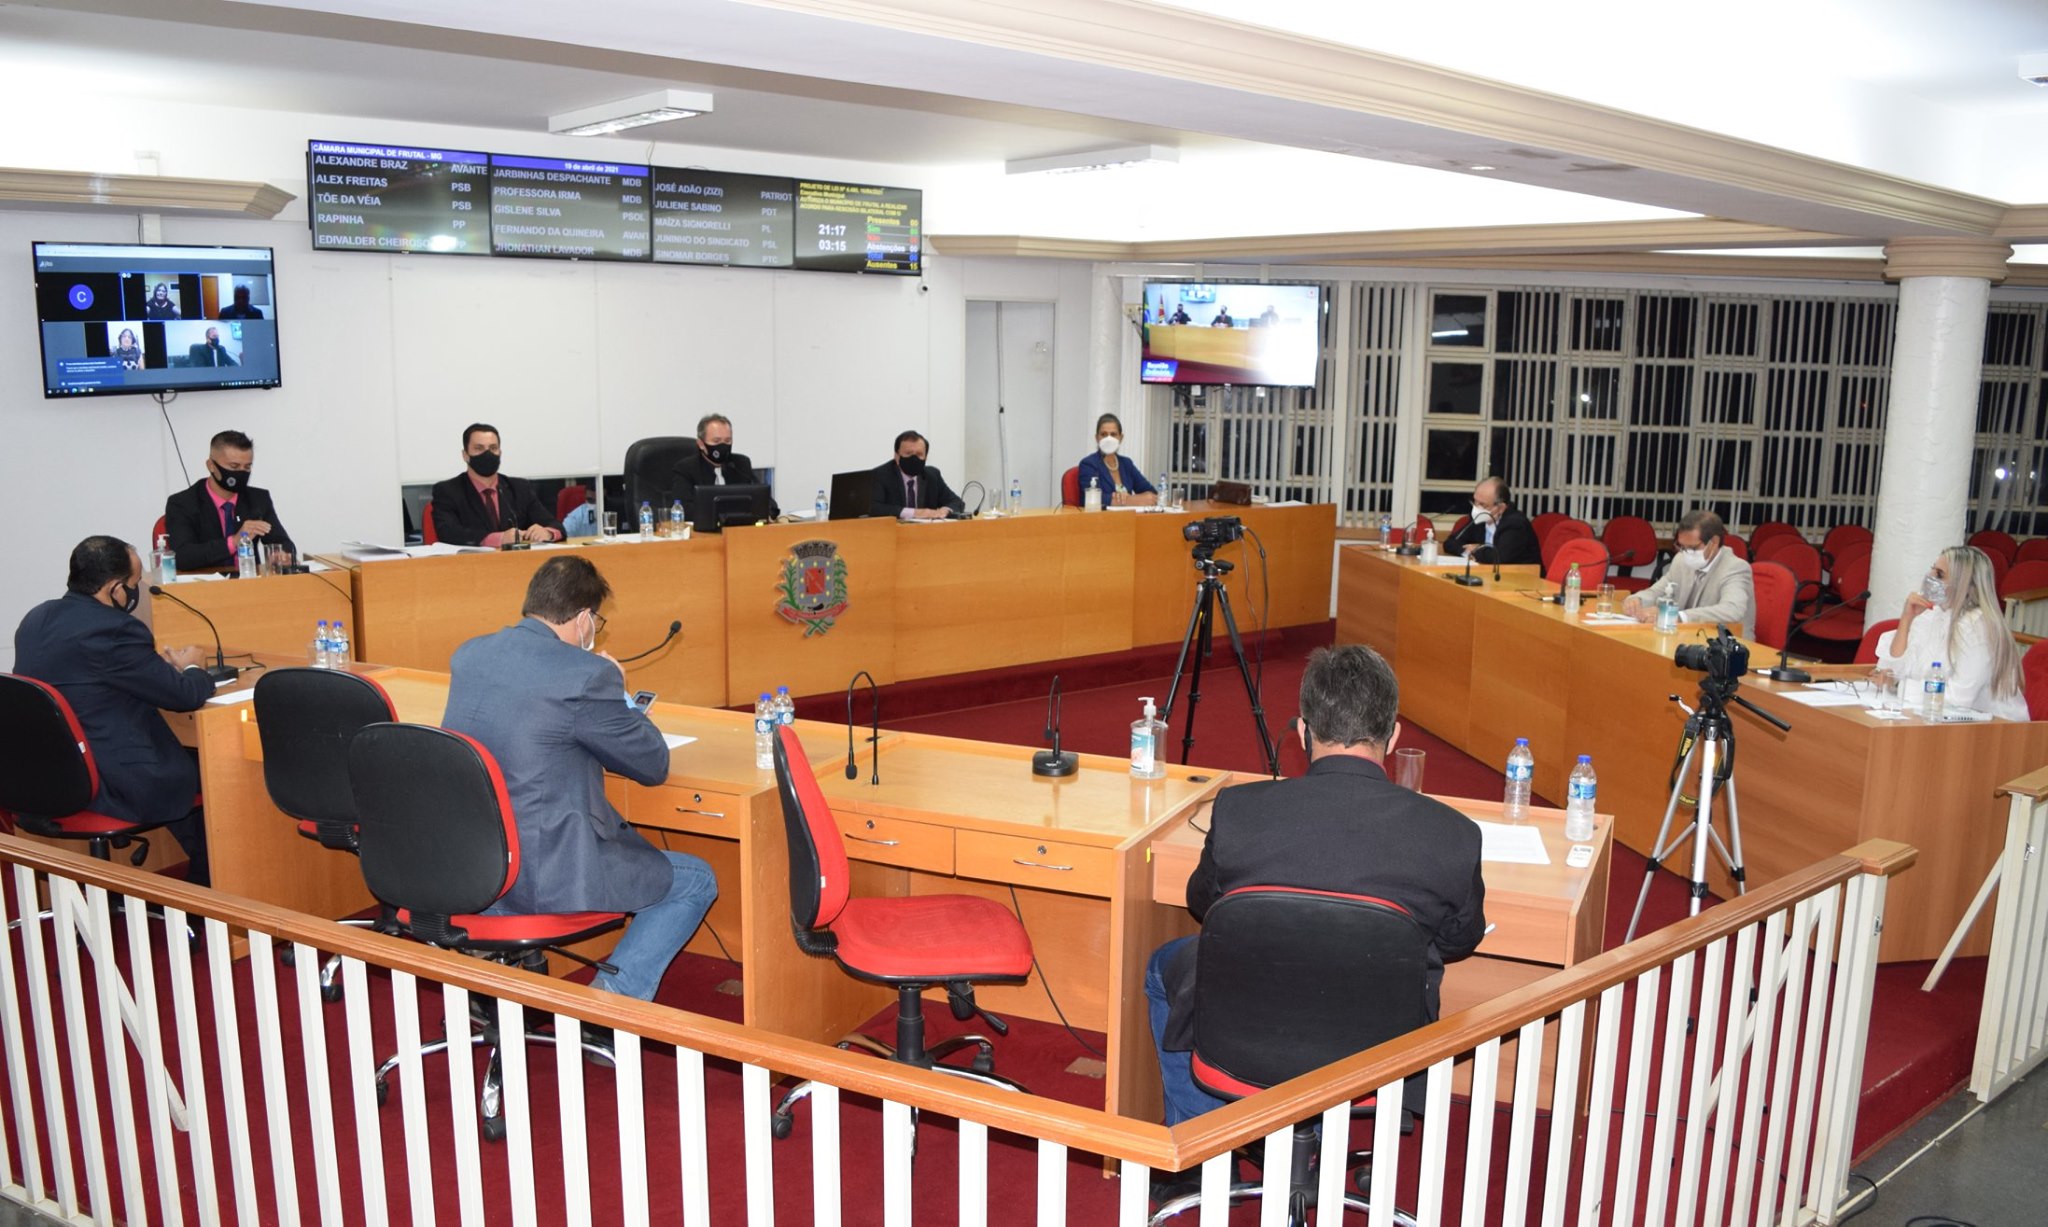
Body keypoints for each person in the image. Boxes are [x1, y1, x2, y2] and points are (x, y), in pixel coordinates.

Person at [1145, 644, 1486, 1126]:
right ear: (1392, 738)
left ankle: (1197, 1148)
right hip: (1376, 1050)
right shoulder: (1452, 833)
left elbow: (1203, 904)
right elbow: (1459, 938)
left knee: (1163, 966)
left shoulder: (1239, 810)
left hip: (1246, 1030)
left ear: (1303, 730)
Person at [442, 556, 717, 1002]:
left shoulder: (470, 654)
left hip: (475, 862)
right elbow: (652, 764)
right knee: (698, 878)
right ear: (586, 618)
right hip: (545, 872)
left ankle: (492, 973)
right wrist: (623, 697)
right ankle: (609, 1004)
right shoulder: (589, 675)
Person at [13, 536, 215, 885]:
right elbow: (184, 696)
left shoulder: (37, 618)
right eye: (134, 586)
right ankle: (206, 893)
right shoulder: (115, 629)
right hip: (110, 783)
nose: (135, 595)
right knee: (214, 772)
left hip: (47, 780)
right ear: (115, 589)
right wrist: (194, 667)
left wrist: (150, 668)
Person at [1872, 545, 2029, 720]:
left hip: (1997, 730)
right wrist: (1906, 619)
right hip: (1939, 720)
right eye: (1932, 570)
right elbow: (1892, 670)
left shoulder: (1979, 626)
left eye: (1939, 575)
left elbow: (1958, 698)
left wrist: (1898, 685)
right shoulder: (1934, 613)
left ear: (1964, 584)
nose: (1929, 577)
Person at [163, 429, 296, 572]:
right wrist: (233, 542)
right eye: (234, 466)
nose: (241, 473)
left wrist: (282, 555)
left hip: (251, 585)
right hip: (204, 588)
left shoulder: (258, 499)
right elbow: (183, 557)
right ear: (211, 466)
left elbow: (284, 543)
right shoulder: (183, 503)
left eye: (247, 467)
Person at [1621, 510, 1755, 640]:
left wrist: (1679, 617)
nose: (1685, 553)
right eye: (1681, 546)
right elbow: (1659, 590)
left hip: (1728, 648)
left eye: (1692, 548)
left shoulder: (1735, 568)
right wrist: (1637, 600)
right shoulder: (1681, 560)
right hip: (1689, 639)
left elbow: (1732, 609)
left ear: (1713, 543)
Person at [430, 423, 565, 547]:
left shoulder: (520, 488)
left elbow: (556, 525)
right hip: (471, 567)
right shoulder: (447, 491)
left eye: (493, 448)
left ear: (500, 453)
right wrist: (499, 539)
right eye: (479, 448)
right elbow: (448, 534)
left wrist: (548, 533)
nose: (487, 454)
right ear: (465, 455)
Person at [669, 412, 779, 517]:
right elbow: (683, 509)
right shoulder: (686, 469)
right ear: (701, 444)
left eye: (727, 441)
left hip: (738, 531)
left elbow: (768, 503)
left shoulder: (740, 464)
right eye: (716, 441)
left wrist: (768, 512)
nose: (723, 446)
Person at [1440, 476, 1540, 565]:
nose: (1476, 508)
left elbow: (1499, 557)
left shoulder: (1515, 524)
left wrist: (1477, 548)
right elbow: (1450, 543)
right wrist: (1469, 551)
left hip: (1523, 578)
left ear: (1501, 508)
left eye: (1482, 504)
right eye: (1475, 501)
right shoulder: (1479, 518)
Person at [869, 430, 964, 520]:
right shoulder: (880, 475)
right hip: (893, 534)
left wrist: (945, 510)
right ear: (897, 457)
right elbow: (874, 508)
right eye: (908, 453)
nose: (914, 458)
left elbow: (957, 502)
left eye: (919, 454)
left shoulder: (932, 476)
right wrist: (914, 513)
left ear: (925, 457)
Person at [1074, 412, 1158, 507]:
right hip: (1100, 520)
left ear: (1121, 438)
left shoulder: (1127, 463)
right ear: (1097, 438)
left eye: (1113, 434)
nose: (1108, 439)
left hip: (1127, 519)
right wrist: (1130, 500)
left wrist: (1121, 499)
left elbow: (1151, 494)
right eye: (1104, 434)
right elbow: (1092, 499)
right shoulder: (1089, 464)